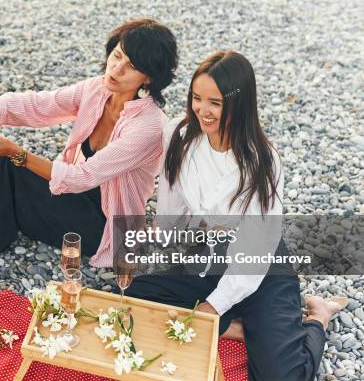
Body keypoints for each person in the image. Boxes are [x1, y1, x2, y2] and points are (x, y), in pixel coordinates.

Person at [125, 50, 348, 380]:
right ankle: (246, 329)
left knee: (280, 377)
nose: (203, 110)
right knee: (136, 298)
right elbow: (171, 211)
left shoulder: (264, 161)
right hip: (205, 251)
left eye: (215, 102)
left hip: (259, 265)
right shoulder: (179, 134)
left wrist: (212, 308)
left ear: (239, 103)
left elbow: (256, 250)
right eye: (197, 98)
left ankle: (317, 317)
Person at [0, 18, 178, 267]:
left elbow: (82, 177)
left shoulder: (149, 126)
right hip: (74, 195)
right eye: (117, 55)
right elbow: (41, 105)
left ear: (149, 78)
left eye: (131, 66)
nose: (116, 69)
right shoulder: (97, 90)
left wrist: (15, 152)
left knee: (8, 162)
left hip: (104, 224)